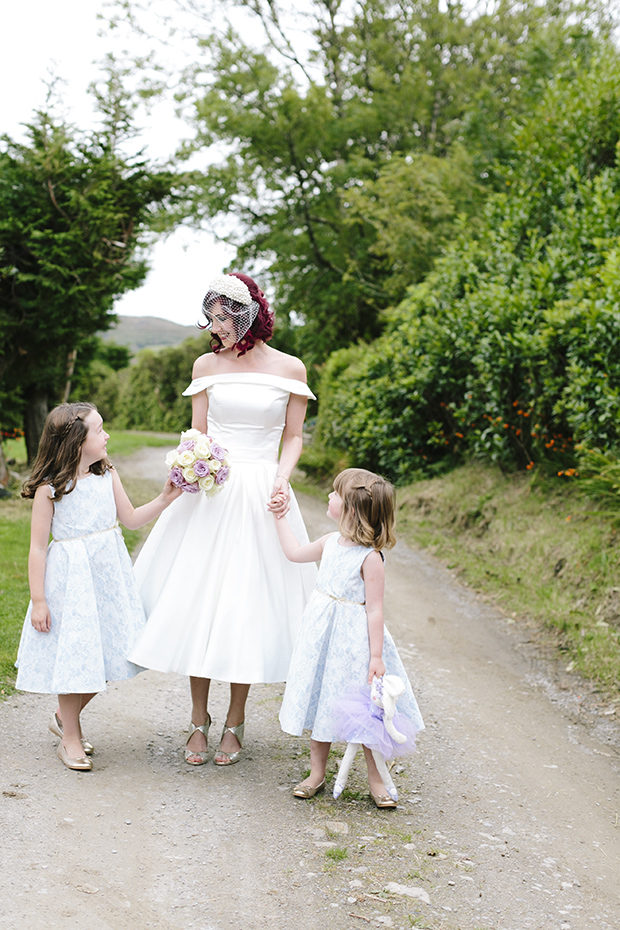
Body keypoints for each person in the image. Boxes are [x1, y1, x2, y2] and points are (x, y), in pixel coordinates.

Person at [128, 272, 317, 766]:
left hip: (261, 493)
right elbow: (197, 434)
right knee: (199, 604)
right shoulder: (205, 364)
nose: (216, 326)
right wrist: (191, 465)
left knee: (243, 608)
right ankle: (197, 719)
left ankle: (234, 722)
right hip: (210, 495)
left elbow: (293, 436)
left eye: (223, 316)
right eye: (210, 317)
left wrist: (282, 478)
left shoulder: (290, 368)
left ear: (249, 312)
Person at [15, 402, 181, 771]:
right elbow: (37, 548)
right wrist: (39, 600)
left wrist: (166, 498)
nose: (107, 436)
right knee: (76, 657)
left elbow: (132, 519)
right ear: (76, 441)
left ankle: (63, 716)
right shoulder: (51, 490)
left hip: (107, 580)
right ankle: (70, 737)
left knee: (112, 655)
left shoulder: (107, 475)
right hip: (71, 584)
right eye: (99, 430)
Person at [275, 467, 424, 808]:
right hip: (323, 637)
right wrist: (279, 517)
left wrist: (375, 656)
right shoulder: (330, 542)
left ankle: (376, 777)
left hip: (355, 644)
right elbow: (294, 553)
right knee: (321, 699)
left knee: (367, 710)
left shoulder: (370, 559)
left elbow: (375, 610)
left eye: (335, 494)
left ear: (351, 509)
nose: (329, 497)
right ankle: (317, 772)